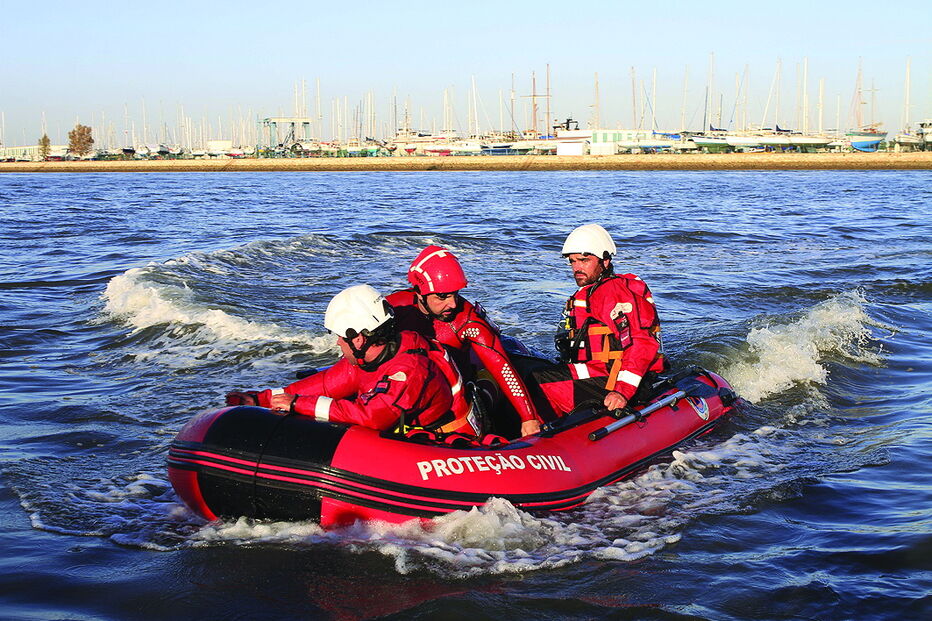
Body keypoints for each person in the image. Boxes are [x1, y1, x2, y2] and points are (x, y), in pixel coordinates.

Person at [225, 284, 478, 434]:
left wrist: (299, 405)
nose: (336, 342)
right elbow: (325, 384)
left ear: (357, 338)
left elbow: (374, 416)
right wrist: (261, 399)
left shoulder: (408, 370)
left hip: (445, 444)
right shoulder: (371, 357)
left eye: (339, 337)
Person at [386, 245, 543, 437]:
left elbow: (503, 369)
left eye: (455, 294)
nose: (452, 304)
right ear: (419, 293)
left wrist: (529, 419)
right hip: (414, 392)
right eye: (442, 296)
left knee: (483, 397)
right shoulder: (394, 309)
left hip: (462, 393)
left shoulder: (468, 320)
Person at [532, 224, 666, 416]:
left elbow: (641, 342)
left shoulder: (612, 292)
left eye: (584, 260)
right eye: (572, 261)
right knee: (528, 365)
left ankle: (537, 433)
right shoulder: (591, 292)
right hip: (595, 370)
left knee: (535, 381)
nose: (577, 267)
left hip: (612, 379)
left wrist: (622, 391)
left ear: (605, 261)